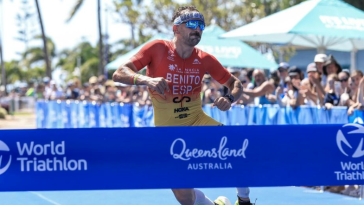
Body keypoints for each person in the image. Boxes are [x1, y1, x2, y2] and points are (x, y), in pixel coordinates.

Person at [112, 6, 253, 205]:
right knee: (186, 199)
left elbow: (235, 84)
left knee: (237, 148)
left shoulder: (204, 59)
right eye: (193, 24)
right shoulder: (157, 48)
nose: (198, 29)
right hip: (168, 134)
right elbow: (119, 73)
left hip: (197, 122)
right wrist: (146, 80)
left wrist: (229, 99)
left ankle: (244, 200)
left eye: (201, 25)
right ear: (176, 28)